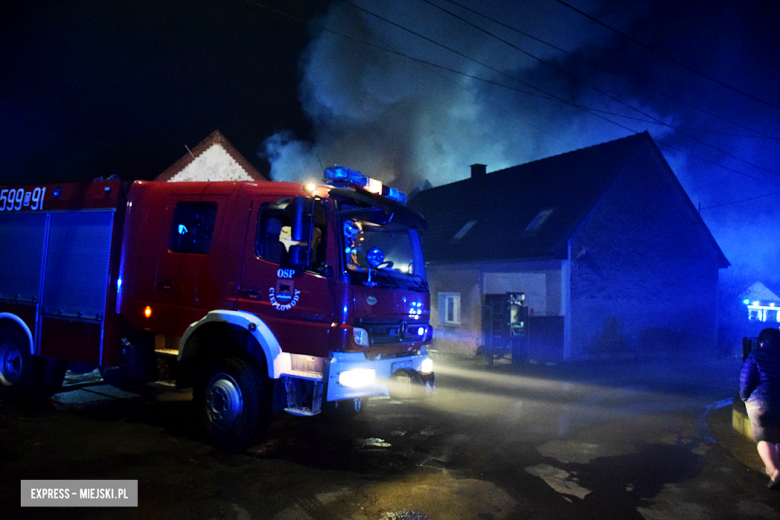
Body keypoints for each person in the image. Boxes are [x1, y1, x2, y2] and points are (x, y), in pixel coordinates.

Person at [740, 327, 780, 489]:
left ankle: (773, 470)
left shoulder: (756, 355)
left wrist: (745, 398)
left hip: (761, 402)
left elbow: (746, 381)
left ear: (761, 341)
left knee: (763, 437)